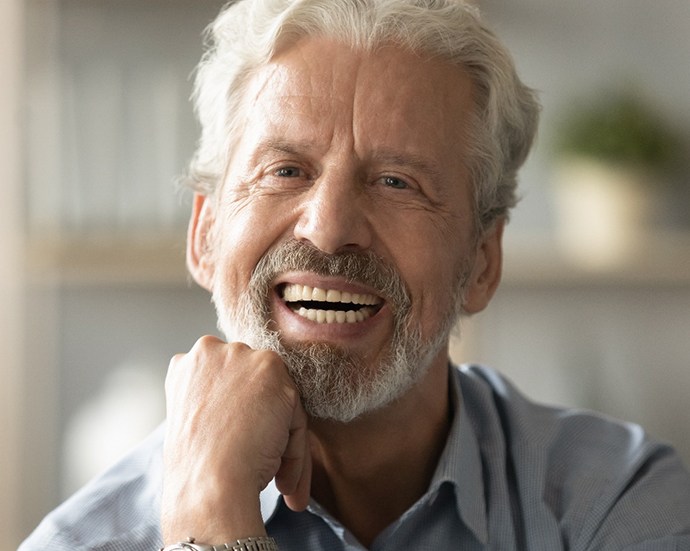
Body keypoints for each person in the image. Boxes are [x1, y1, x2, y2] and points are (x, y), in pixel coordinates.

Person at [20, 1, 690, 549]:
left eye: (397, 181)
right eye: (285, 170)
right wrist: (206, 511)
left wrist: (217, 529)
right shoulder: (78, 543)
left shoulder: (622, 506)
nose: (328, 226)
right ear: (204, 233)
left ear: (483, 260)